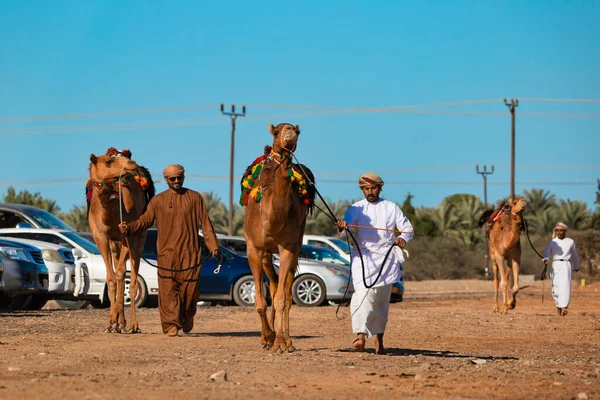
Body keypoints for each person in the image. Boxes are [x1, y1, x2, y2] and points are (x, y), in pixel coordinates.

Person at [119, 164, 219, 336]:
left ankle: (188, 316)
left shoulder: (195, 198)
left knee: (190, 290)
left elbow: (206, 223)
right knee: (168, 290)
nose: (177, 181)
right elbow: (145, 220)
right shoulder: (158, 201)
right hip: (167, 254)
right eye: (172, 178)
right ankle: (171, 325)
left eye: (179, 177)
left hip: (191, 252)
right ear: (166, 180)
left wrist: (213, 246)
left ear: (184, 177)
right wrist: (129, 228)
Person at [336, 172, 414, 354]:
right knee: (361, 296)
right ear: (362, 190)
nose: (370, 192)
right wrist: (342, 226)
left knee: (380, 301)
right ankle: (360, 335)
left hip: (386, 259)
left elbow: (407, 229)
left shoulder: (391, 207)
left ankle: (379, 340)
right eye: (366, 189)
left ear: (380, 188)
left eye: (373, 188)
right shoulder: (356, 208)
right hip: (363, 259)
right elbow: (345, 227)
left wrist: (403, 238)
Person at [542, 222, 581, 316]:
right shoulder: (552, 242)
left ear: (565, 231)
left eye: (561, 231)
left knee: (565, 286)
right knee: (555, 286)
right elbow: (547, 253)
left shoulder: (570, 241)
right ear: (555, 231)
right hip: (555, 265)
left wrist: (577, 266)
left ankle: (564, 307)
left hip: (566, 265)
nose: (559, 232)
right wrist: (545, 259)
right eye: (557, 230)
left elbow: (574, 255)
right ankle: (559, 305)